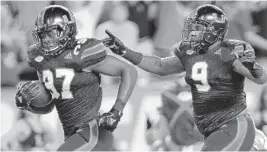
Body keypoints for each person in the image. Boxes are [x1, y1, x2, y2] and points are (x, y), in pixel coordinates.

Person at [103, 4, 267, 151]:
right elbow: (159, 66)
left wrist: (252, 66)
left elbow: (260, 78)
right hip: (213, 130)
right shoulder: (190, 54)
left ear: (212, 31)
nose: (192, 32)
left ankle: (253, 144)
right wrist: (125, 52)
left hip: (233, 125)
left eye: (197, 27)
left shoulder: (230, 52)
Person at [14, 5, 137, 151]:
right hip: (75, 135)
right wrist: (31, 102)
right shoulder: (42, 61)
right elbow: (50, 104)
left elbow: (129, 70)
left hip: (93, 132)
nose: (46, 39)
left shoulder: (81, 54)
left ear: (66, 30)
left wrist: (117, 111)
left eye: (50, 33)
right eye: (42, 35)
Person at [145, 73, 203, 151]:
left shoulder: (201, 90)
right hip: (177, 136)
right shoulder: (167, 93)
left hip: (195, 134)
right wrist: (161, 140)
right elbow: (164, 116)